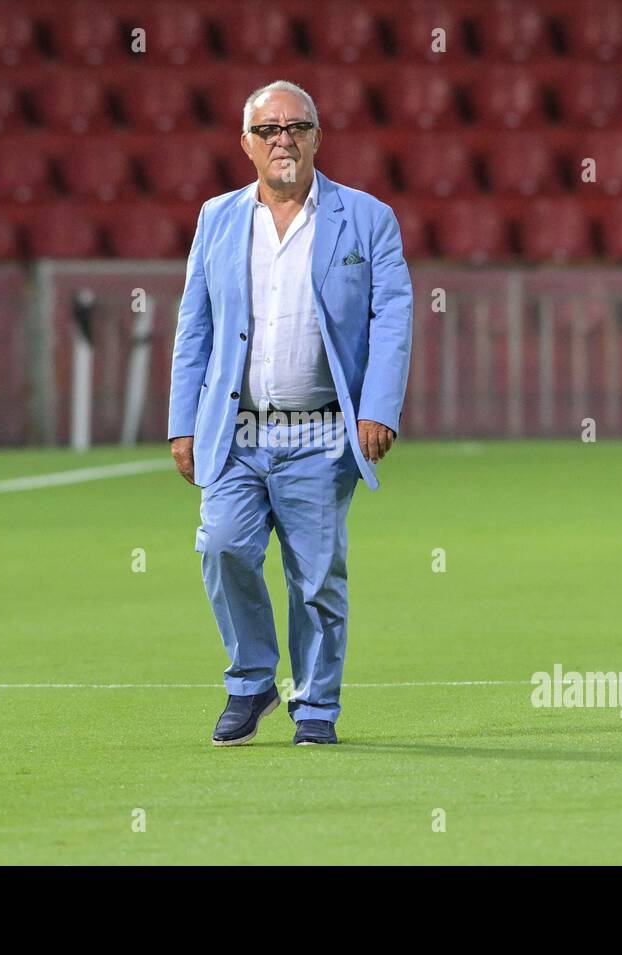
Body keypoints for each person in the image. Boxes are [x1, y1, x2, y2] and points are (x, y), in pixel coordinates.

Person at [167, 80, 412, 746]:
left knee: (316, 577)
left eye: (297, 127)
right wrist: (181, 421)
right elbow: (196, 323)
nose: (284, 140)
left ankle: (315, 706)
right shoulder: (217, 218)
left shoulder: (366, 218)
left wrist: (378, 406)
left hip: (322, 429)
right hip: (237, 431)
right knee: (223, 547)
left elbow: (391, 317)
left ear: (317, 137)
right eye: (269, 129)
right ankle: (250, 682)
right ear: (245, 143)